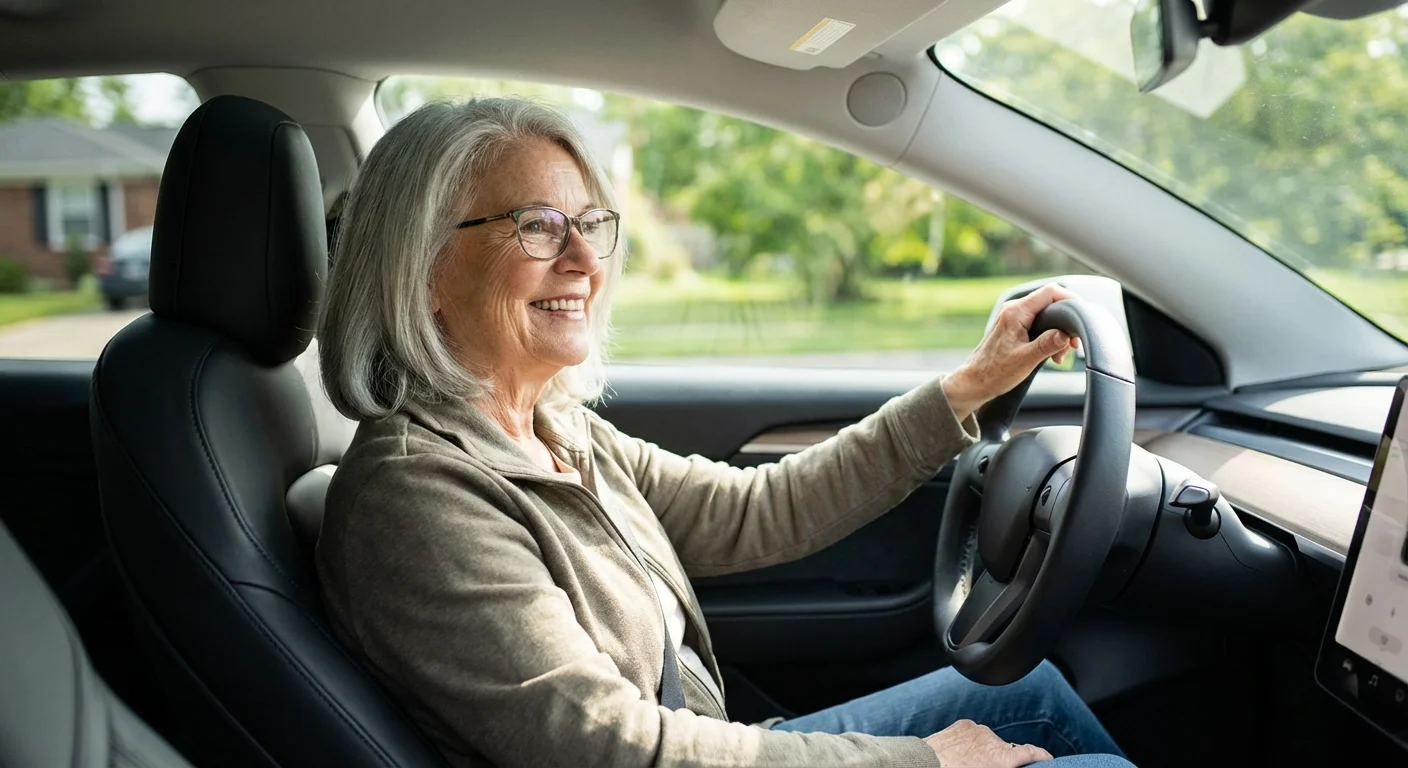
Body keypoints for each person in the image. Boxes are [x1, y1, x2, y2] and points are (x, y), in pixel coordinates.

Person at [314, 96, 1135, 768]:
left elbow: (758, 509)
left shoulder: (554, 433)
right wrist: (925, 764)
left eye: (589, 224)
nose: (584, 262)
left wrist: (969, 387)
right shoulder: (418, 496)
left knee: (1032, 699)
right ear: (422, 271)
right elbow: (613, 749)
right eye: (535, 225)